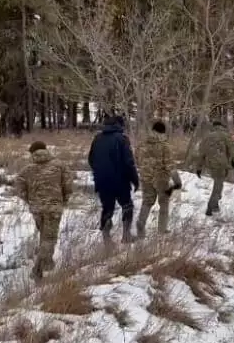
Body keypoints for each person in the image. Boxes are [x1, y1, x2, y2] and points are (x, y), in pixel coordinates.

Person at [15, 141, 73, 279]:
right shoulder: (60, 166)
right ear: (46, 150)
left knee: (44, 235)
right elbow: (68, 186)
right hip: (53, 208)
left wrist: (29, 200)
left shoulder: (27, 170)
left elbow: (19, 186)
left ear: (33, 153)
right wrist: (63, 200)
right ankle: (37, 270)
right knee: (49, 238)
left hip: (37, 209)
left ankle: (47, 261)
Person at [87, 114, 140, 245]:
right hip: (120, 181)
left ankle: (106, 239)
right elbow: (128, 162)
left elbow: (91, 159)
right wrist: (135, 179)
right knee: (127, 205)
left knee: (107, 208)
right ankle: (126, 235)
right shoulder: (122, 139)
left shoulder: (97, 138)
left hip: (102, 181)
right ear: (120, 125)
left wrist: (99, 173)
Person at [135, 120, 182, 237]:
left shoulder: (142, 144)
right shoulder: (164, 146)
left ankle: (141, 223)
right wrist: (177, 181)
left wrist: (144, 171)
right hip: (160, 178)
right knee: (164, 203)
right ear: (163, 132)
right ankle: (162, 230)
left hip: (145, 177)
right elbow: (170, 166)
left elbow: (137, 160)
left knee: (147, 202)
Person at [191, 120, 234, 216]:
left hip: (211, 165)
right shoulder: (225, 135)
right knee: (218, 186)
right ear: (221, 126)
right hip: (222, 165)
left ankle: (215, 205)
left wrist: (199, 168)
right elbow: (232, 150)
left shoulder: (207, 137)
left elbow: (201, 154)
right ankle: (210, 206)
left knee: (219, 184)